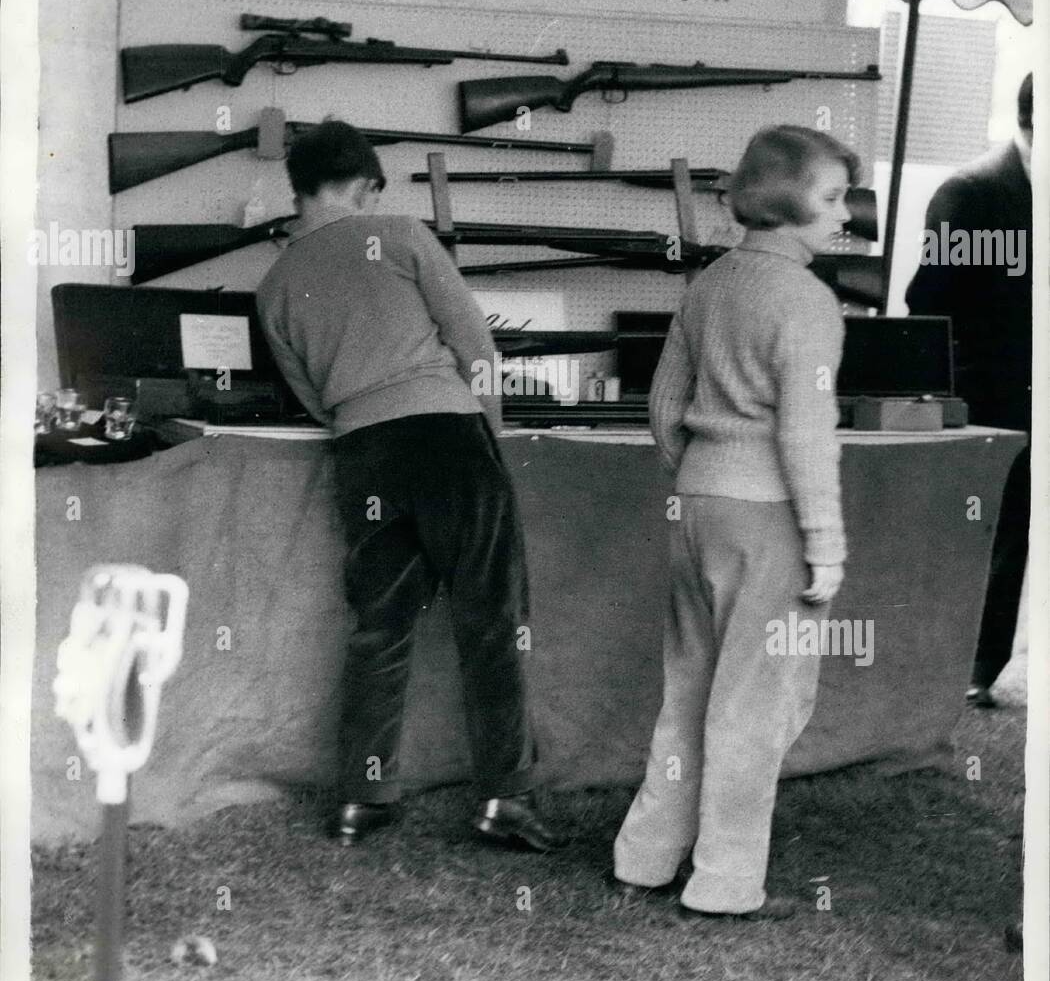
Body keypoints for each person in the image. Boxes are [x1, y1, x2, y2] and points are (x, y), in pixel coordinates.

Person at [256, 121, 564, 851]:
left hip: (362, 452)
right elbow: (474, 344)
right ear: (365, 185)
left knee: (380, 626)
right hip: (446, 435)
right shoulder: (400, 235)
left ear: (299, 188)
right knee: (490, 621)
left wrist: (362, 417)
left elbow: (310, 394)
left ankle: (361, 801)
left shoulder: (272, 286)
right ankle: (503, 800)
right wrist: (487, 432)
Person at [613, 126, 856, 921]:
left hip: (697, 506)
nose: (844, 214)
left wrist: (697, 476)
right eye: (831, 196)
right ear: (787, 201)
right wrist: (825, 544)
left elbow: (661, 408)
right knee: (756, 707)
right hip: (770, 518)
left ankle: (644, 860)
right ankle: (723, 885)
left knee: (686, 693)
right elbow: (805, 435)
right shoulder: (810, 301)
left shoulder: (709, 284)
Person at [906, 74, 1032, 709]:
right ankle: (967, 667)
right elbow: (930, 300)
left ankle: (981, 664)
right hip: (995, 397)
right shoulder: (976, 194)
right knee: (992, 532)